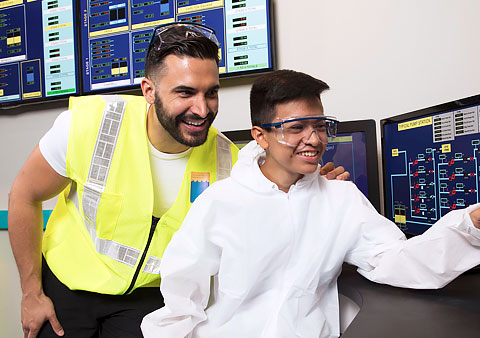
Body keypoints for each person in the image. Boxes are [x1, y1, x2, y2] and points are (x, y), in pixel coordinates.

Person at [140, 69, 480, 337]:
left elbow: (394, 260)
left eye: (320, 126)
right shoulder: (220, 201)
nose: (313, 140)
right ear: (260, 136)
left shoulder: (341, 198)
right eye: (295, 128)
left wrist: (470, 229)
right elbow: (180, 299)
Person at [7, 24, 347, 338]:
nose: (202, 109)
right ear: (149, 91)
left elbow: (274, 199)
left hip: (148, 302)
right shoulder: (87, 126)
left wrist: (314, 186)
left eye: (211, 93)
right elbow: (24, 195)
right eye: (185, 92)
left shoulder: (228, 161)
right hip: (66, 287)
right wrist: (31, 292)